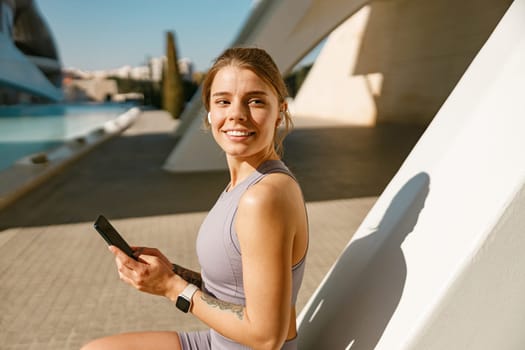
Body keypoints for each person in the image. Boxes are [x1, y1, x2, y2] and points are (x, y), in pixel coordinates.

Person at [81, 47, 309, 350]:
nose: (236, 114)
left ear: (280, 111)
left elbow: (267, 336)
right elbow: (238, 290)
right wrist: (170, 271)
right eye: (223, 101)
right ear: (210, 112)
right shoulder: (245, 183)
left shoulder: (263, 197)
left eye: (255, 101)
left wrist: (172, 288)